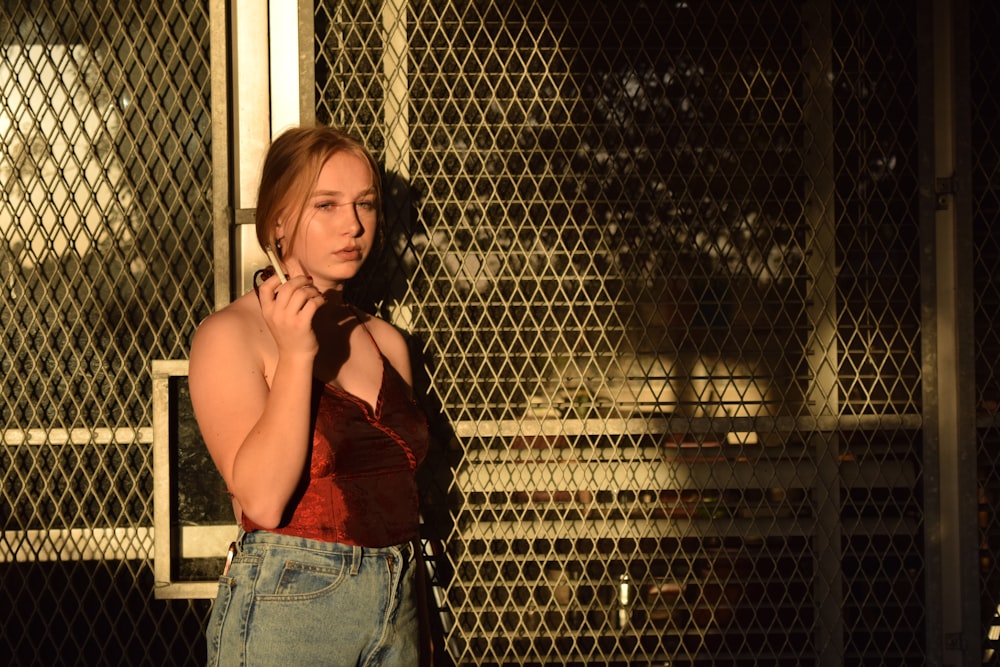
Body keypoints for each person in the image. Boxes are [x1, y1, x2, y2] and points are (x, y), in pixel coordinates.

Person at [188, 124, 431, 666]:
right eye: (326, 205)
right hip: (292, 603)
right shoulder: (229, 334)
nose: (353, 225)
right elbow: (264, 499)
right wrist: (297, 355)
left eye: (365, 204)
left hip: (401, 595)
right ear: (278, 221)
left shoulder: (385, 340)